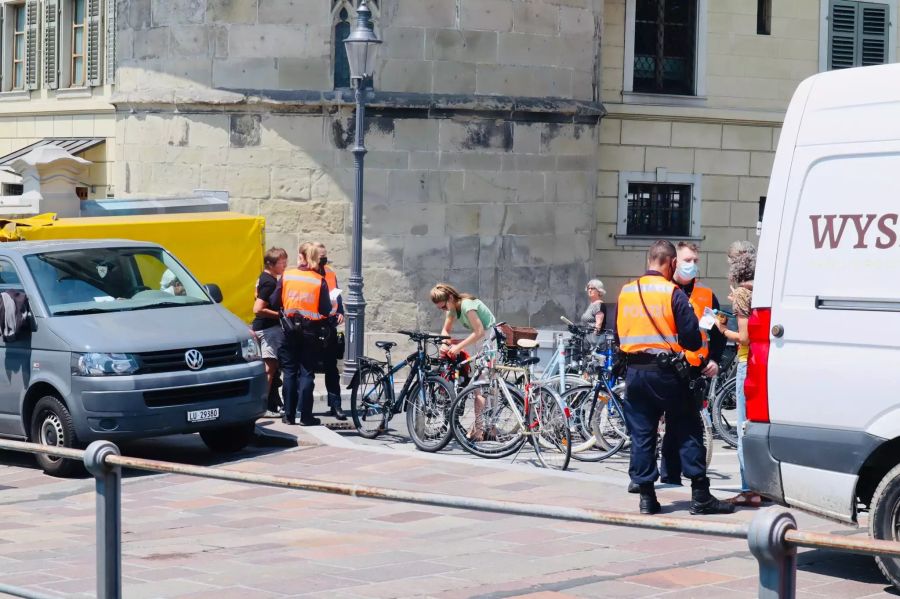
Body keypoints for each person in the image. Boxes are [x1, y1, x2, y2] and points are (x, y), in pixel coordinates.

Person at [616, 240, 733, 515]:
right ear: (671, 263)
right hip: (668, 374)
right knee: (688, 429)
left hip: (635, 373)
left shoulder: (626, 292)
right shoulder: (672, 293)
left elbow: (619, 335)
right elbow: (692, 339)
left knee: (642, 434)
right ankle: (701, 496)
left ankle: (647, 497)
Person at [658, 242, 728, 486]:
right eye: (688, 260)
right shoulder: (663, 291)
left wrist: (716, 360)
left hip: (695, 370)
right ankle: (685, 479)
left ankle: (671, 476)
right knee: (682, 424)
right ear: (675, 262)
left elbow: (719, 332)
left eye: (696, 261)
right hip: (668, 368)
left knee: (681, 423)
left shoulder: (707, 296)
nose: (693, 265)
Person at [719, 240, 763, 507]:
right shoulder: (763, 289)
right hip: (763, 360)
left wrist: (722, 329)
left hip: (747, 361)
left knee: (743, 428)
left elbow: (744, 337)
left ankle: (749, 490)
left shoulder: (742, 295)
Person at [270, 243, 331, 426]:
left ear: (301, 257)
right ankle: (305, 416)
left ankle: (288, 415)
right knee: (306, 373)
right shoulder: (319, 280)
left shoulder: (287, 275)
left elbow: (273, 301)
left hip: (288, 330)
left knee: (289, 372)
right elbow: (326, 309)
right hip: (310, 331)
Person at [430, 284, 496, 441]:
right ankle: (488, 429)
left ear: (451, 298)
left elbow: (479, 331)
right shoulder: (453, 309)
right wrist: (445, 344)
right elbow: (445, 330)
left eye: (444, 306)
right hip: (482, 341)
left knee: (480, 386)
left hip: (491, 340)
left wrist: (458, 347)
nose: (444, 310)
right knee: (485, 386)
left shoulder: (466, 305)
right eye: (441, 309)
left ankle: (480, 431)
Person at [252, 247, 288, 417]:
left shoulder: (263, 278)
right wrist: (280, 314)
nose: (285, 265)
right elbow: (258, 308)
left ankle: (270, 403)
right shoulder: (270, 282)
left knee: (270, 369)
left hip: (262, 328)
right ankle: (264, 407)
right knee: (269, 369)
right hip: (267, 330)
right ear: (271, 264)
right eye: (282, 262)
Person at [314, 242, 346, 421]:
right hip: (311, 326)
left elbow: (337, 295)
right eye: (321, 256)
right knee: (307, 370)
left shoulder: (330, 272)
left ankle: (336, 406)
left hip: (330, 326)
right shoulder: (307, 274)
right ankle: (304, 408)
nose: (324, 259)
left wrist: (340, 311)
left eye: (325, 256)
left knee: (331, 369)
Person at [580, 279, 607, 344]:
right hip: (587, 340)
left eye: (592, 288)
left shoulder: (598, 305)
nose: (589, 290)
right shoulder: (592, 304)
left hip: (594, 342)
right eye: (588, 288)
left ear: (599, 291)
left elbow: (598, 325)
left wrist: (593, 343)